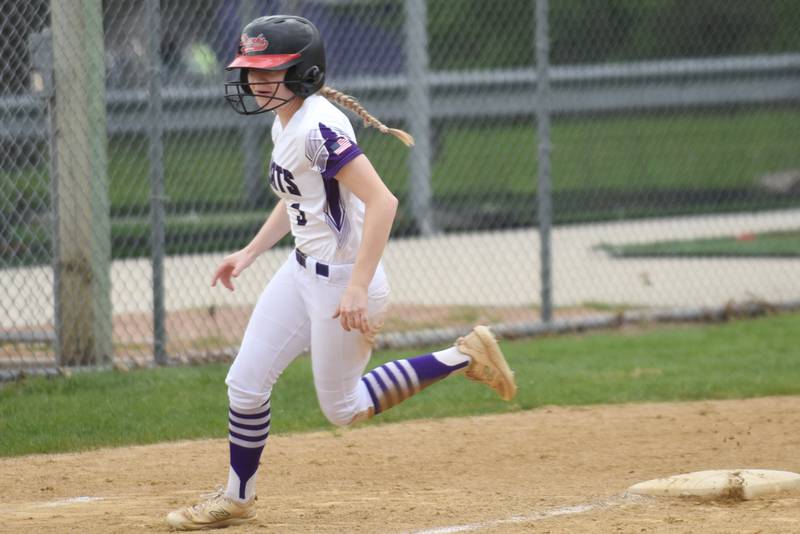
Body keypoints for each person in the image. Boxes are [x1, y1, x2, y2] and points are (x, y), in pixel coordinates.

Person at [166, 15, 517, 530]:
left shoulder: (317, 127)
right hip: (300, 273)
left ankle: (463, 355)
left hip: (342, 283)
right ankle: (237, 498)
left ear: (303, 73)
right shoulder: (285, 119)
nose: (255, 81)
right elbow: (298, 198)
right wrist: (250, 251)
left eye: (269, 71)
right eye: (251, 70)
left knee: (344, 409)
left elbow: (383, 202)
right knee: (244, 383)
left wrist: (356, 286)